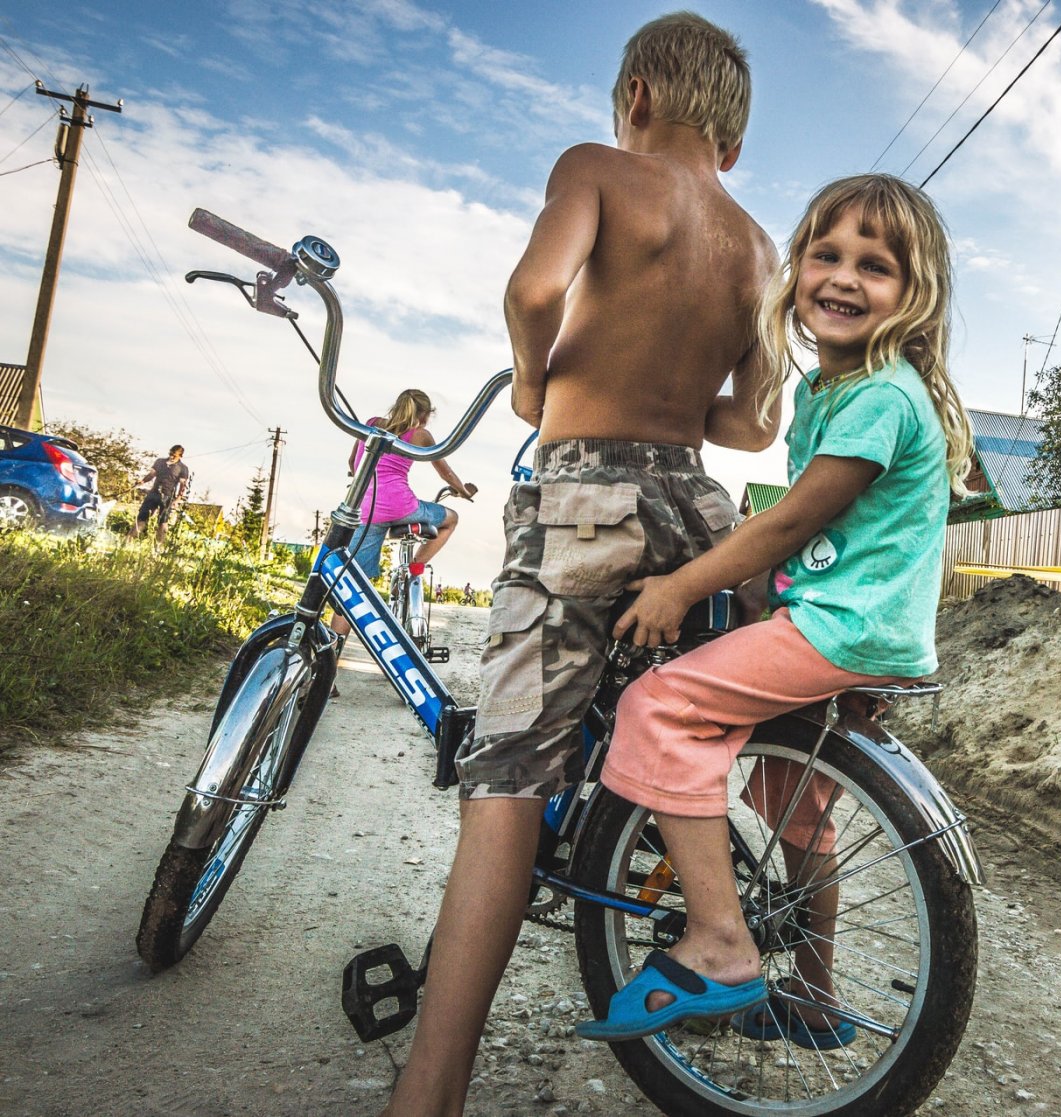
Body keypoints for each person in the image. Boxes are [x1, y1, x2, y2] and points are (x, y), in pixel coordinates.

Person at [379, 13, 777, 1116]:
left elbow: (533, 290)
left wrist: (531, 378)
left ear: (635, 99)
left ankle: (432, 1084)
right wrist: (668, 393)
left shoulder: (596, 171)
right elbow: (753, 420)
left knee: (507, 779)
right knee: (660, 718)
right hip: (698, 508)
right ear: (732, 146)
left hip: (583, 497)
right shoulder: (754, 243)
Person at [575, 173, 973, 1046]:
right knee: (794, 799)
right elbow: (801, 522)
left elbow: (796, 517)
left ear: (915, 295)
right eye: (826, 254)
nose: (842, 277)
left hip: (839, 629)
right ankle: (820, 1000)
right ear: (796, 271)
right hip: (847, 622)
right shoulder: (831, 392)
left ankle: (720, 940)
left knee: (658, 705)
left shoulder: (880, 394)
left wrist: (684, 584)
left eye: (876, 266)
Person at [330, 388, 476, 641]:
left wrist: (361, 482)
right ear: (426, 414)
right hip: (403, 508)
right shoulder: (421, 435)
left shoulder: (372, 425)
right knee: (451, 519)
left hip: (367, 510)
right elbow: (446, 473)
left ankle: (331, 649)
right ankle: (416, 568)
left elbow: (353, 462)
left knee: (353, 585)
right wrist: (462, 491)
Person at [131, 445, 189, 543]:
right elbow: (151, 474)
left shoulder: (183, 468)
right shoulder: (160, 462)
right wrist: (142, 481)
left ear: (180, 456)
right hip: (153, 493)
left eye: (174, 455)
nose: (171, 456)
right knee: (142, 518)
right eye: (170, 454)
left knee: (163, 522)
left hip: (167, 496)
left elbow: (183, 486)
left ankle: (159, 547)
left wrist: (178, 499)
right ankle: (128, 541)